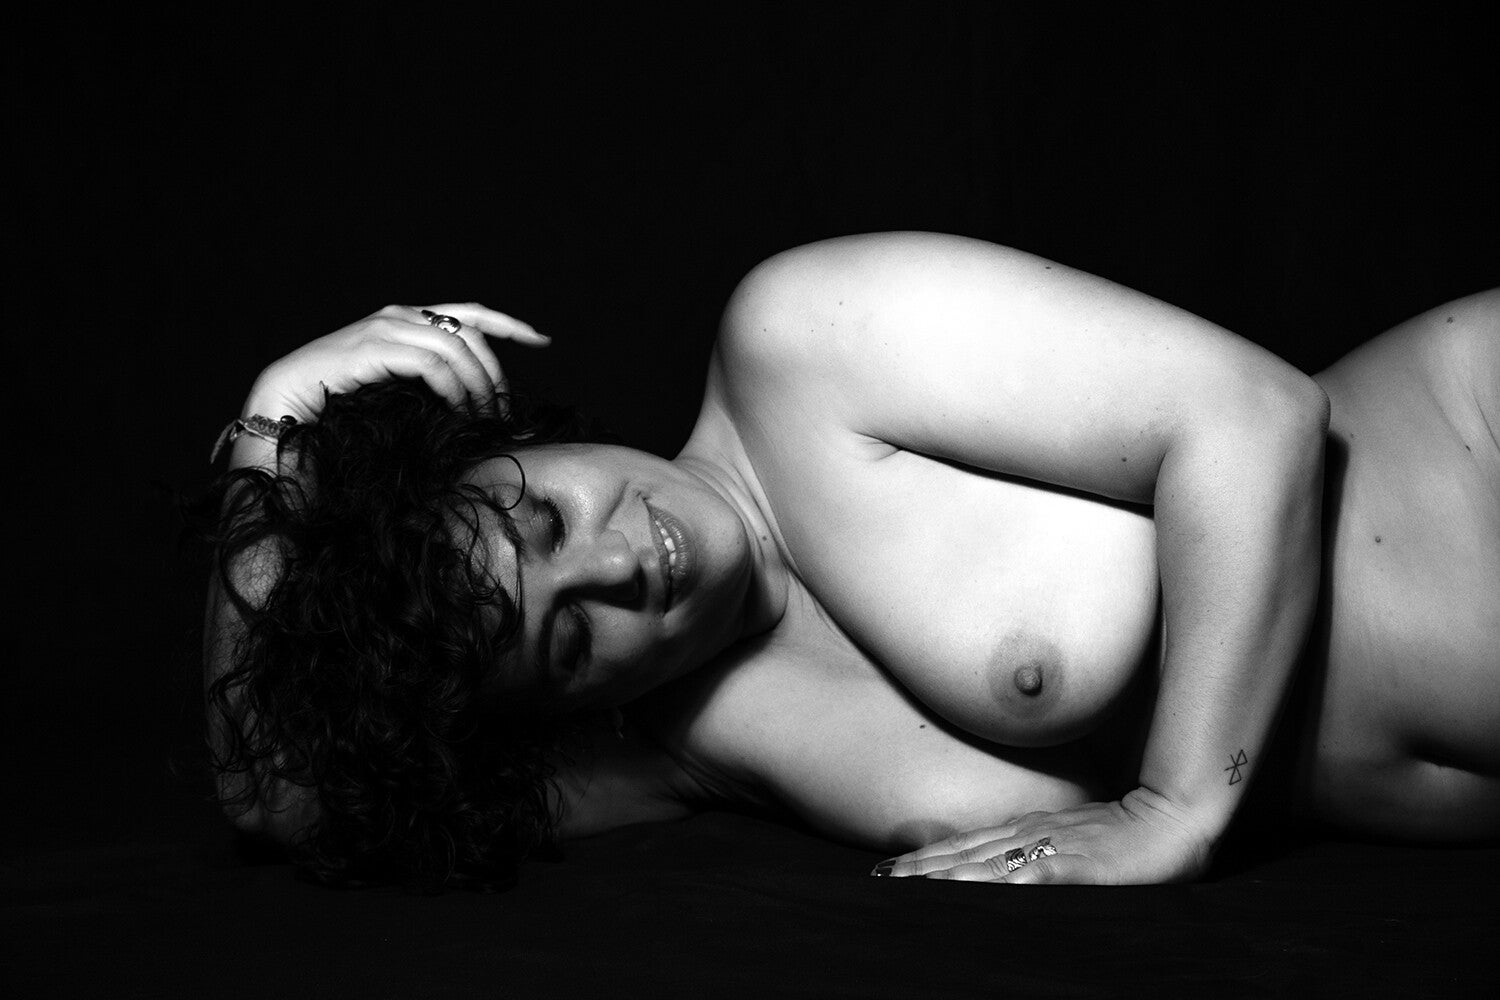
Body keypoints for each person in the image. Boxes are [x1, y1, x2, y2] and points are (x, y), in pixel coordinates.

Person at [203, 232, 1499, 891]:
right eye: (570, 636)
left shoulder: (800, 348)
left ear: (524, 446)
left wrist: (1173, 812)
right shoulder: (703, 746)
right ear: (559, 701)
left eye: (546, 519)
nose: (616, 565)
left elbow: (1255, 417)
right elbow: (283, 800)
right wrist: (268, 443)